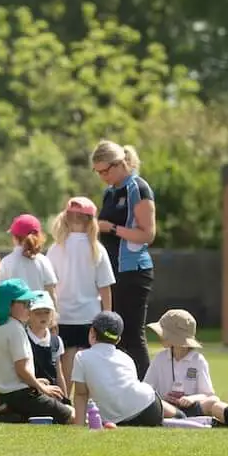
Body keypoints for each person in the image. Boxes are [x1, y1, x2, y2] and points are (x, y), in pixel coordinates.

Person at [91, 142, 157, 375]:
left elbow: (147, 234)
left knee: (131, 334)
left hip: (133, 270)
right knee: (111, 333)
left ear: (119, 164)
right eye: (98, 172)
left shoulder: (137, 188)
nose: (102, 177)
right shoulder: (109, 192)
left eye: (105, 171)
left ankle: (148, 391)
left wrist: (112, 228)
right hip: (111, 271)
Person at [0, 278, 73, 424]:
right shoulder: (16, 329)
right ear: (9, 305)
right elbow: (21, 370)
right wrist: (42, 388)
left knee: (32, 418)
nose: (28, 307)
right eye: (24, 303)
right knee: (72, 415)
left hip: (5, 394)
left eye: (29, 303)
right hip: (23, 395)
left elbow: (11, 370)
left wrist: (35, 381)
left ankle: (7, 412)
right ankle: (9, 411)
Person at [68, 310, 176, 427]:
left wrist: (78, 426)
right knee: (176, 417)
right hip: (149, 408)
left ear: (92, 332)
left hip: (119, 419)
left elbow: (81, 394)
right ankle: (185, 416)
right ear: (118, 339)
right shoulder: (126, 357)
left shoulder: (81, 357)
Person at [48, 196, 115, 350]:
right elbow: (105, 287)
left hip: (62, 316)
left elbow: (49, 284)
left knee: (66, 368)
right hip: (90, 317)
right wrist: (108, 318)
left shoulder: (55, 249)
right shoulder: (97, 249)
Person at [142, 309, 224, 418]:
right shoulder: (160, 358)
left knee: (214, 401)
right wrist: (162, 399)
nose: (159, 336)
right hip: (165, 407)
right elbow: (147, 388)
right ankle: (177, 416)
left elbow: (207, 394)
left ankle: (180, 417)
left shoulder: (198, 361)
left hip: (192, 407)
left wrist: (191, 399)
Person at [0, 215, 59, 310]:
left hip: (15, 317)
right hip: (40, 316)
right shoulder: (43, 261)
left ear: (14, 237)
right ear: (39, 237)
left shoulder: (6, 262)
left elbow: (1, 295)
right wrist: (54, 317)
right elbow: (51, 293)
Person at [25, 290, 64, 395]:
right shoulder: (23, 338)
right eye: (37, 313)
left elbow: (59, 373)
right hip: (30, 393)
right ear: (28, 314)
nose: (43, 316)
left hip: (52, 394)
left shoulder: (56, 341)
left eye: (47, 312)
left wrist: (65, 398)